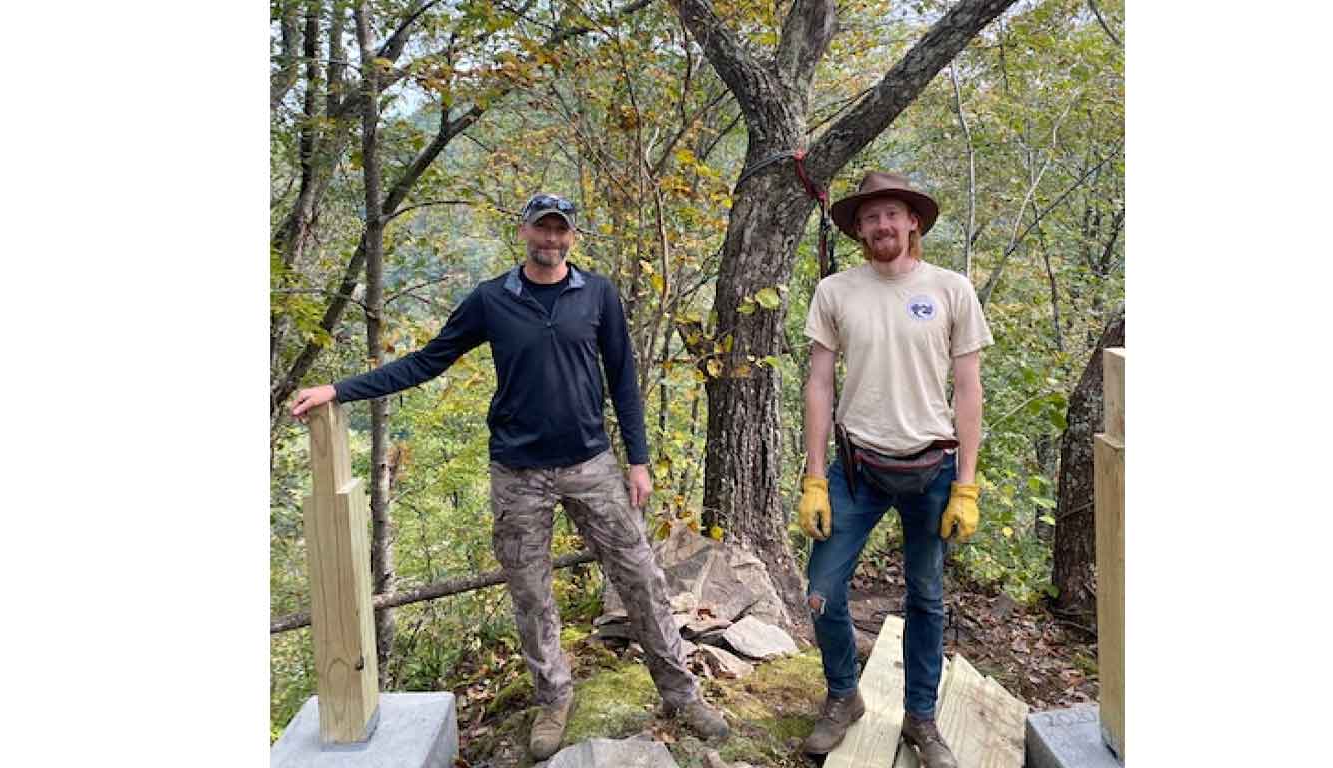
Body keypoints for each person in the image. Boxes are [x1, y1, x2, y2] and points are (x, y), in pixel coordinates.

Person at [291, 193, 728, 759]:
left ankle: (680, 693)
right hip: (518, 471)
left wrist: (638, 460)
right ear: (524, 232)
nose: (551, 239)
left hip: (591, 463)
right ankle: (553, 699)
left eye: (560, 230)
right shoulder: (493, 300)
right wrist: (338, 390)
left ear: (572, 236)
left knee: (640, 576)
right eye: (542, 230)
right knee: (531, 593)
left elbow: (623, 378)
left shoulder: (596, 294)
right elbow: (428, 360)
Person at [796, 172, 993, 767]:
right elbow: (819, 383)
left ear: (914, 223)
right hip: (857, 467)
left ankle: (922, 720)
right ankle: (841, 696)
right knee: (822, 591)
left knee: (927, 598)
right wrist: (811, 477)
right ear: (858, 229)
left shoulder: (951, 289)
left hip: (933, 468)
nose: (883, 225)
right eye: (871, 218)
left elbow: (968, 390)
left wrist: (967, 485)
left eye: (893, 215)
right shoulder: (836, 292)